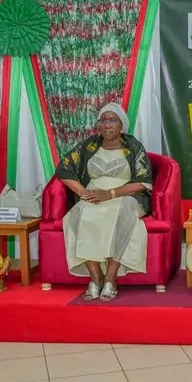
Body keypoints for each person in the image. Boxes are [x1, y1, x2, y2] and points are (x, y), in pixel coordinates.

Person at [55, 103, 153, 302]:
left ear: (122, 126)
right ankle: (96, 276)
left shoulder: (133, 147)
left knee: (120, 212)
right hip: (93, 195)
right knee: (78, 214)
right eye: (103, 120)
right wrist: (83, 193)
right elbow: (63, 169)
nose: (107, 125)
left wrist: (110, 194)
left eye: (113, 120)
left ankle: (110, 278)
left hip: (126, 196)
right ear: (98, 125)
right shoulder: (89, 145)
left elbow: (143, 182)